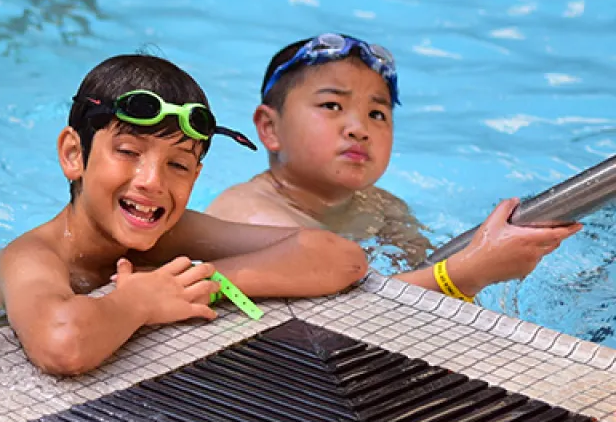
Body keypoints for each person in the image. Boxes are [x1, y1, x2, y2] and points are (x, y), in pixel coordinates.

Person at [0, 55, 367, 375]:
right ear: (74, 154)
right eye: (128, 152)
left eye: (177, 165)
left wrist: (201, 283)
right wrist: (139, 302)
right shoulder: (32, 257)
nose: (152, 182)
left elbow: (341, 258)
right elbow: (62, 345)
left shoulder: (174, 234)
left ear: (196, 177)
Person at [206, 33, 584, 303]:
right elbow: (340, 313)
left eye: (377, 113)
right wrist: (473, 271)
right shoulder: (252, 215)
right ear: (270, 128)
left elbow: (428, 269)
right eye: (332, 106)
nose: (359, 128)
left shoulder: (381, 205)